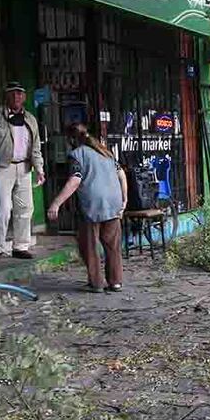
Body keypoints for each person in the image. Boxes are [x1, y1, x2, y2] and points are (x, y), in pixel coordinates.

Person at [47, 121, 127, 292]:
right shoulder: (106, 152)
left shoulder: (77, 154)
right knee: (112, 245)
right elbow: (121, 174)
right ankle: (116, 281)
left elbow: (75, 181)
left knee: (89, 245)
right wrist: (124, 199)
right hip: (114, 202)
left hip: (93, 204)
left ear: (71, 139)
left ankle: (97, 283)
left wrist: (56, 203)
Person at [0, 81, 45, 259]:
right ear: (6, 97)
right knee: (2, 208)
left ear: (24, 97)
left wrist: (39, 168)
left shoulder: (30, 120)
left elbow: (35, 147)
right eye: (12, 93)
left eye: (19, 93)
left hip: (25, 166)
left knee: (25, 208)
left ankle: (20, 246)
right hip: (1, 166)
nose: (16, 97)